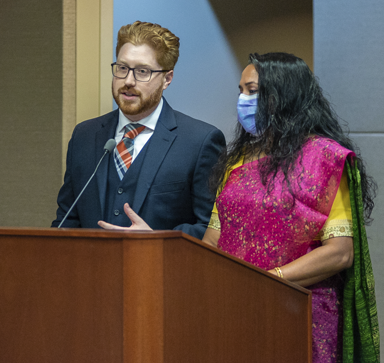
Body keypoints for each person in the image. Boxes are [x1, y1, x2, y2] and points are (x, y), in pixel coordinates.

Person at [203, 53, 380, 363]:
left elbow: (340, 252)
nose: (243, 100)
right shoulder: (236, 164)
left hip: (301, 314)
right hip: (235, 312)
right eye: (241, 90)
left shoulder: (325, 159)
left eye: (253, 91)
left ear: (283, 94)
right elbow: (213, 241)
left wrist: (269, 281)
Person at [52, 21, 225, 239]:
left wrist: (156, 239)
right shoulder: (84, 135)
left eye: (143, 71)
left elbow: (210, 230)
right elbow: (66, 220)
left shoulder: (200, 142)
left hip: (161, 270)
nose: (128, 81)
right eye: (122, 68)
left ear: (167, 79)